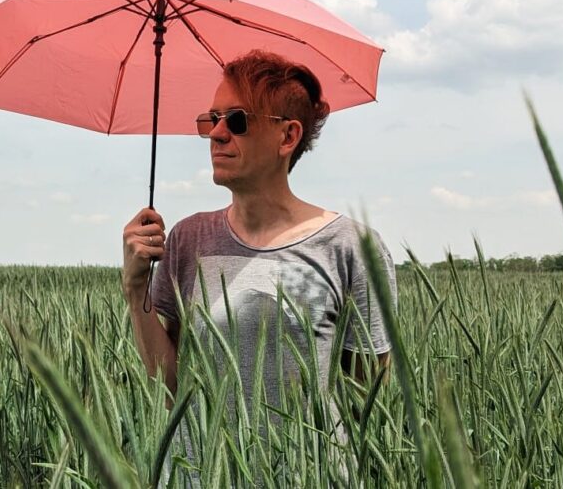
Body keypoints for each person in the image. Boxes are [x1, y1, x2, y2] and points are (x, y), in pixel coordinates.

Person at [120, 49, 396, 452]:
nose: (216, 133)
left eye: (237, 120)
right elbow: (170, 389)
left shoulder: (350, 247)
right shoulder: (189, 238)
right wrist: (135, 288)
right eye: (211, 120)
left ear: (288, 136)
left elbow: (366, 399)